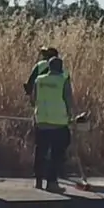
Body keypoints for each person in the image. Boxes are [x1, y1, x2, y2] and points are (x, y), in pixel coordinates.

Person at [30, 56, 74, 192]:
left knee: (40, 151)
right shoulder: (63, 80)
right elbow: (68, 99)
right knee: (57, 153)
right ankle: (52, 182)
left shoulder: (39, 80)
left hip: (41, 122)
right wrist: (70, 116)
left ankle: (38, 181)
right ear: (60, 68)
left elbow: (33, 100)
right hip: (58, 123)